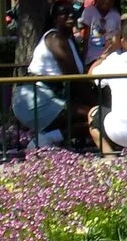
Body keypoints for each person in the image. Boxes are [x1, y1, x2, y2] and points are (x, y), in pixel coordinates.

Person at [12, 13, 84, 148]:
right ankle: (45, 140)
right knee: (94, 115)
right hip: (36, 98)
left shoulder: (68, 39)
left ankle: (48, 138)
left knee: (92, 116)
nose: (70, 15)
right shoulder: (55, 38)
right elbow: (74, 77)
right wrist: (95, 105)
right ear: (55, 18)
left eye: (72, 11)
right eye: (63, 12)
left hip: (52, 96)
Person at [78, 0, 124, 64]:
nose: (107, 1)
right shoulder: (89, 11)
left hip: (112, 54)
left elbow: (117, 38)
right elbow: (86, 36)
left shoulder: (115, 15)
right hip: (93, 55)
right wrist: (84, 57)